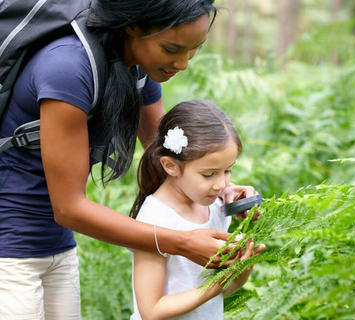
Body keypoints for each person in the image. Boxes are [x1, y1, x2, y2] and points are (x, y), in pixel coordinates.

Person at [0, 1, 261, 319]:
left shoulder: (136, 68)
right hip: (9, 248)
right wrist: (181, 242)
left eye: (194, 49)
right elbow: (68, 208)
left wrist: (222, 187)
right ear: (133, 26)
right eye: (172, 48)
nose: (183, 63)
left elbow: (172, 157)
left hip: (56, 244)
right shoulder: (68, 68)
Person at [130, 99, 264, 320]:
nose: (222, 184)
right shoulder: (155, 218)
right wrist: (219, 283)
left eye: (228, 170)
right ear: (171, 166)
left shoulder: (215, 207)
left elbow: (211, 298)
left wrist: (240, 273)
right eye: (209, 174)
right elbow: (151, 310)